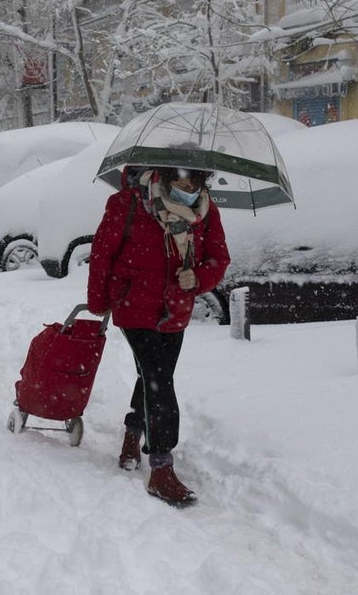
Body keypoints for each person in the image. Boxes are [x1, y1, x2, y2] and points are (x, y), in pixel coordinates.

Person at [86, 165, 231, 508]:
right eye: (179, 181)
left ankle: (132, 435)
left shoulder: (206, 211)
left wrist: (197, 278)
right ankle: (161, 468)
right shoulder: (129, 203)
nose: (186, 187)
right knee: (159, 378)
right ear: (163, 176)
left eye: (193, 181)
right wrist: (98, 300)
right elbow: (103, 252)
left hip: (175, 310)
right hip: (133, 305)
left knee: (152, 376)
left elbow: (219, 257)